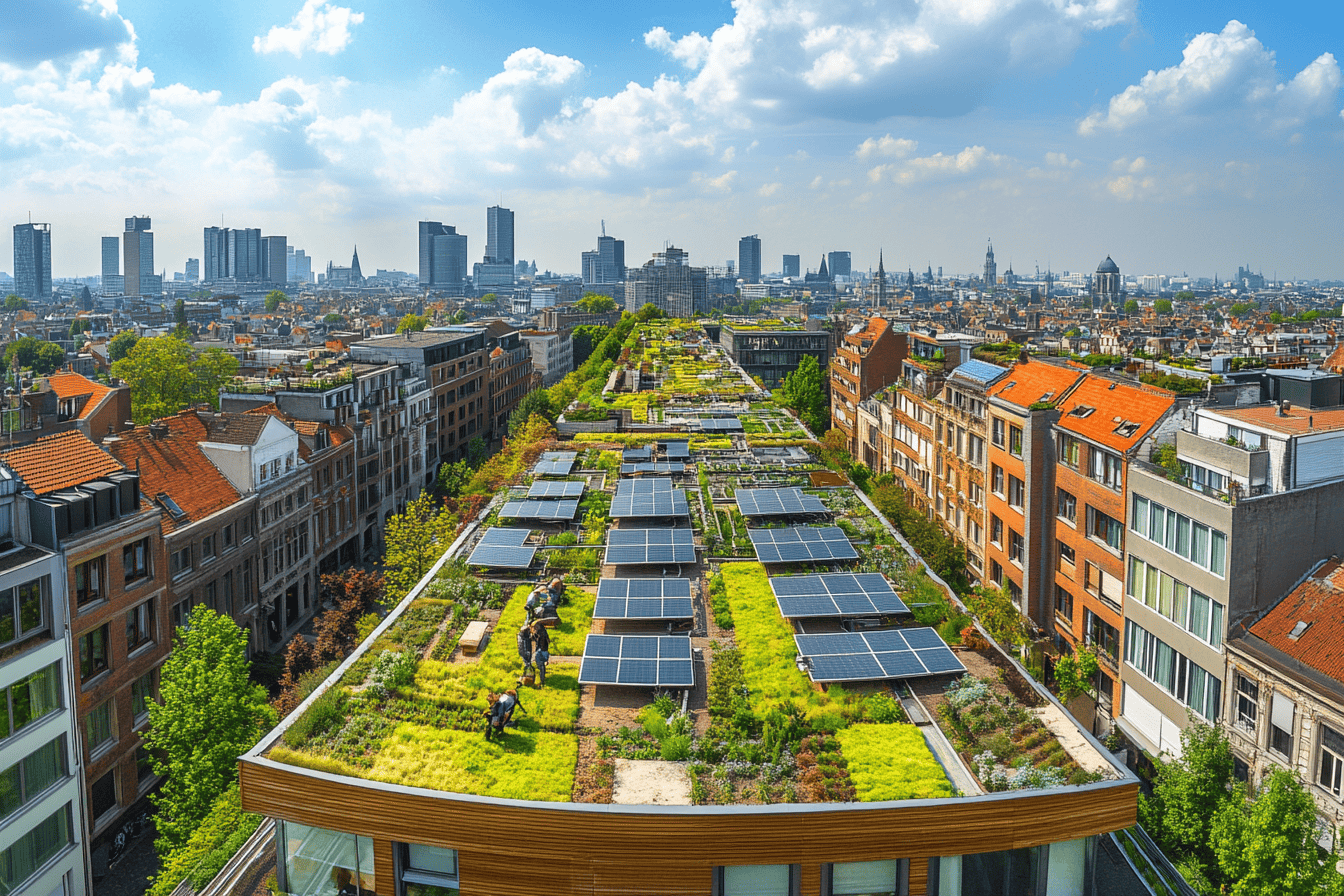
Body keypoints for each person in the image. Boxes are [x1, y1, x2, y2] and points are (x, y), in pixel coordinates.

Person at [530, 619, 551, 686]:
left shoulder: (540, 633)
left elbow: (536, 640)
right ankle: (542, 678)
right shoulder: (543, 632)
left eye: (534, 627)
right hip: (544, 651)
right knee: (541, 666)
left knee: (540, 666)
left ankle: (542, 680)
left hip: (541, 651)